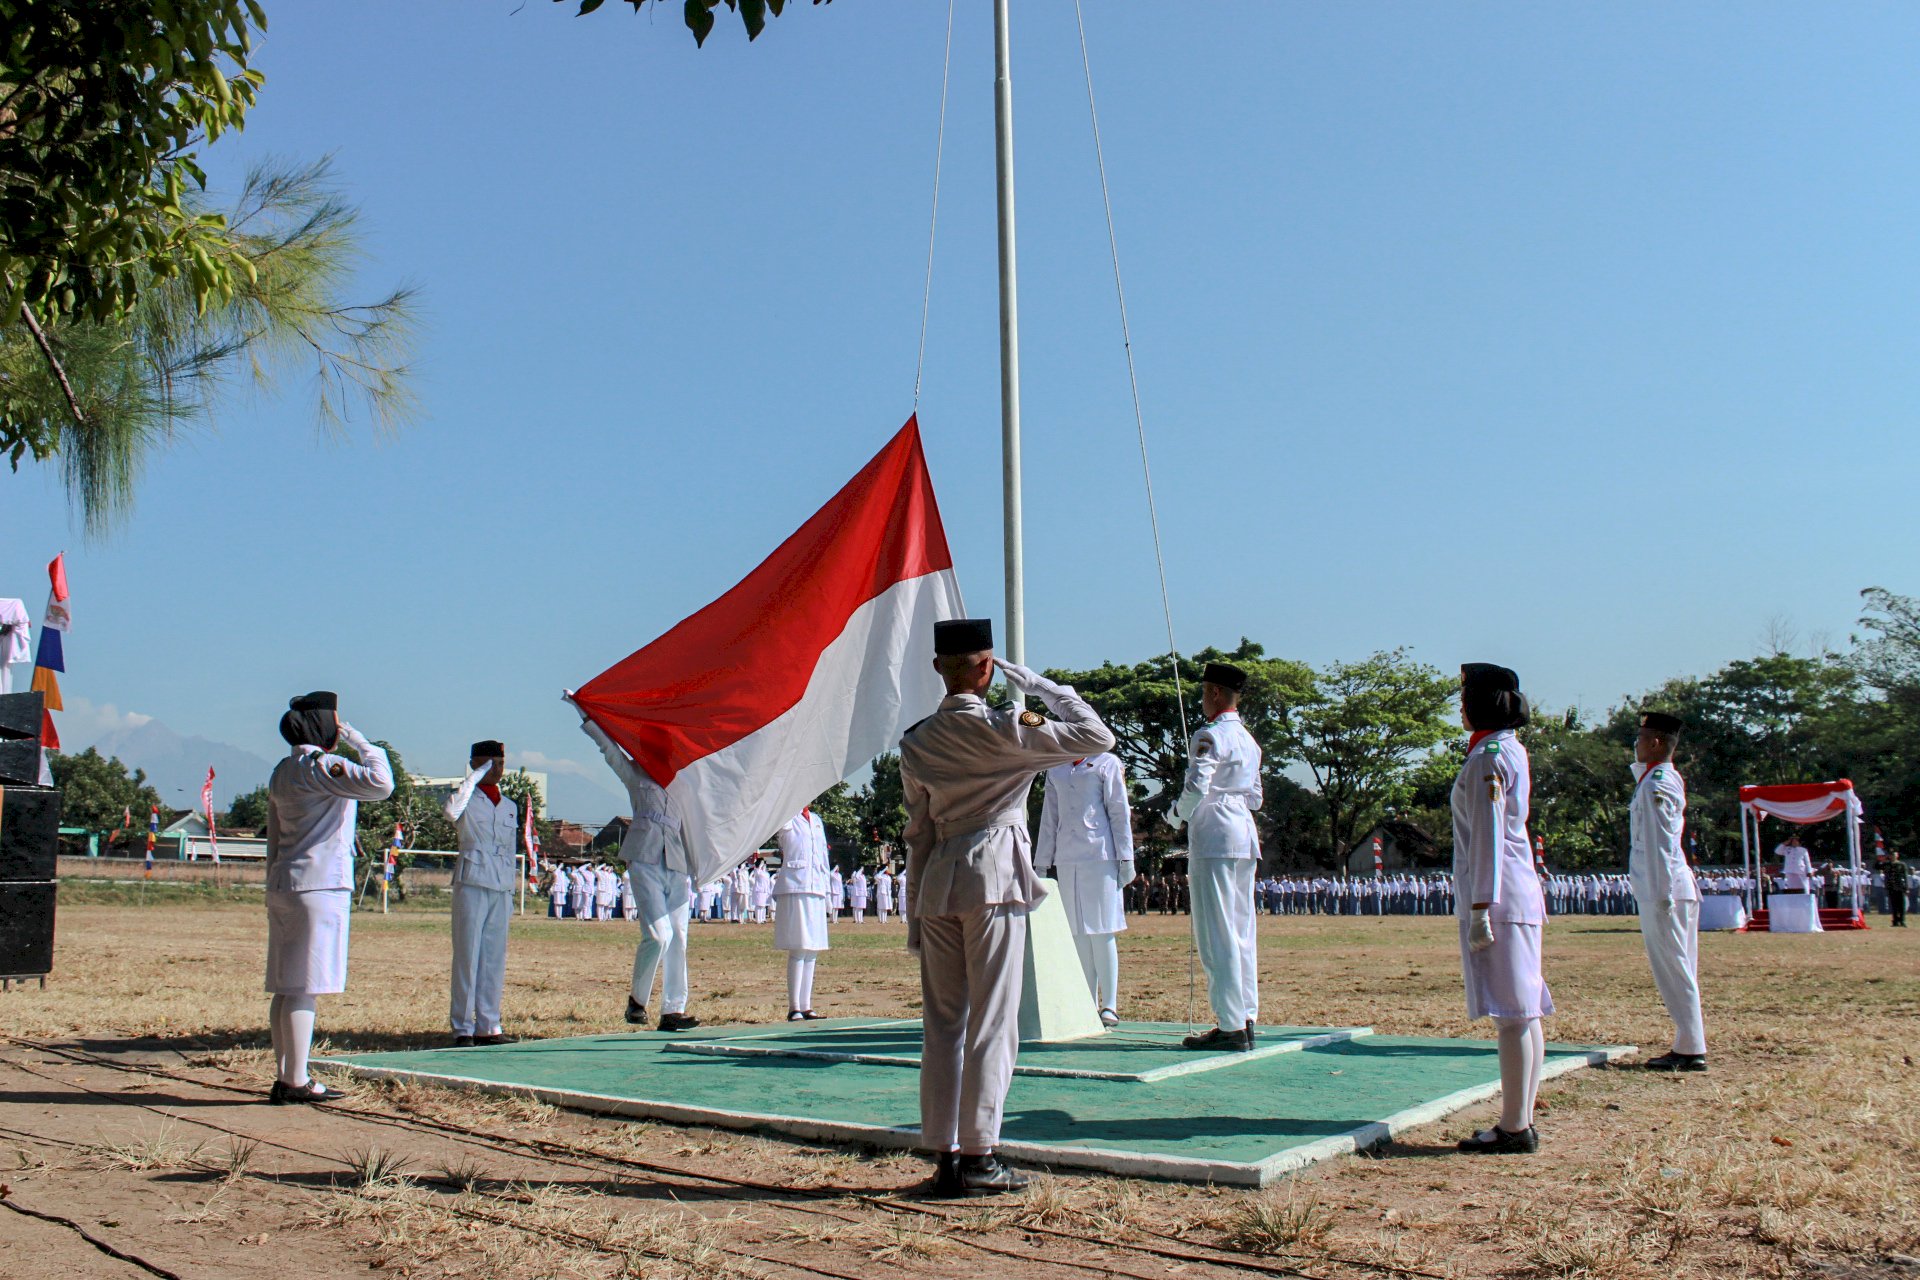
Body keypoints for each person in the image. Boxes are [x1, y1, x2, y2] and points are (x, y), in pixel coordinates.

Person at [901, 618, 1115, 1196]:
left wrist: (916, 912)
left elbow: (917, 833)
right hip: (994, 877)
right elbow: (1098, 739)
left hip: (939, 882)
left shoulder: (916, 740)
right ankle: (980, 1156)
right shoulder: (1008, 728)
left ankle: (943, 1157)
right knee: (993, 1022)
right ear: (989, 668)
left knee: (942, 1025)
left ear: (939, 667)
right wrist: (1045, 687)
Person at [263, 691, 394, 1103]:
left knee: (287, 987)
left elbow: (274, 835)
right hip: (318, 886)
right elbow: (381, 784)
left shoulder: (283, 770)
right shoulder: (321, 765)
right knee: (306, 987)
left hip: (285, 881)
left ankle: (287, 1074)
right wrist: (359, 739)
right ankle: (297, 1081)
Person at [1451, 663, 1551, 1155]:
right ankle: (1520, 1119)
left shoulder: (1488, 757)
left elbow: (1488, 838)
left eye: (1466, 696)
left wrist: (1478, 907)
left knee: (1513, 1013)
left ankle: (1514, 1126)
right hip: (1515, 892)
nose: (1460, 705)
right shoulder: (1506, 750)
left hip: (1499, 897)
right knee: (1524, 1013)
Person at [566, 690, 699, 1032]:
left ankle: (673, 1010)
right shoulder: (636, 777)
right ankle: (637, 1001)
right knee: (658, 935)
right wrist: (586, 714)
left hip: (677, 864)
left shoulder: (683, 787)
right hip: (645, 857)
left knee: (679, 936)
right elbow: (610, 752)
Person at [1173, 662, 1264, 1052]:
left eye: (1204, 692)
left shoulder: (1210, 735)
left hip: (1214, 834)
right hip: (1243, 832)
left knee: (1217, 932)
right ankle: (1245, 1016)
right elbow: (1256, 796)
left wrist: (1175, 813)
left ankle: (1230, 1024)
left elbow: (1196, 787)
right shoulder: (1248, 739)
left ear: (1214, 693)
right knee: (1242, 931)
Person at [1628, 712, 1706, 1072]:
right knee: (1679, 966)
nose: (1636, 744)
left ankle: (1691, 1046)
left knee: (1674, 968)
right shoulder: (1660, 778)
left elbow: (1660, 843)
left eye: (1642, 738)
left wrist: (1660, 897)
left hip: (1664, 889)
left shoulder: (1657, 782)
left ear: (1656, 743)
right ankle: (1688, 1042)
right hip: (1670, 886)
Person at [1035, 751, 1134, 1027]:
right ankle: (1086, 1002)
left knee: (1102, 930)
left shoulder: (1107, 763)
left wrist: (1126, 856)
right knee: (1077, 932)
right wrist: (1042, 861)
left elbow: (1118, 810)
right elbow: (1049, 817)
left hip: (1100, 854)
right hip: (1067, 855)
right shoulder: (1056, 768)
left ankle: (1109, 1004)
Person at [443, 739, 519, 1048]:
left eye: (500, 763)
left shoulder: (510, 805)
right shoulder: (465, 798)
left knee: (493, 958)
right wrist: (473, 778)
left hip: (500, 884)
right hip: (472, 880)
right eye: (490, 763)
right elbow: (451, 812)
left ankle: (489, 1024)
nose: (497, 769)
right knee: (467, 955)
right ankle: (462, 1026)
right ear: (476, 763)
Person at [774, 806, 833, 1019]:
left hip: (816, 884)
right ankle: (794, 1006)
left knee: (813, 949)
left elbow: (823, 857)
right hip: (796, 883)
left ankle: (806, 1005)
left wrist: (828, 890)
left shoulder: (816, 819)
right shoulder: (787, 816)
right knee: (799, 946)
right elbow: (779, 826)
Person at [1886, 851, 1910, 928]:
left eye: (1894, 855)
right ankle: (1895, 921)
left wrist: (1906, 887)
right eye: (1891, 855)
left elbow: (1905, 877)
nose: (1893, 856)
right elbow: (1887, 876)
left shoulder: (1901, 864)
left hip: (1900, 887)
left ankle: (1902, 920)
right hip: (1891, 888)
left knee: (1901, 905)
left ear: (1897, 856)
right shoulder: (1888, 865)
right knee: (1894, 905)